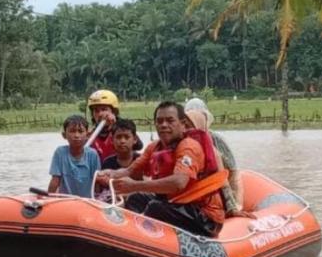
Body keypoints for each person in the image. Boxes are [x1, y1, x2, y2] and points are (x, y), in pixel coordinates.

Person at [96, 101, 227, 237]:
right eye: (159, 121)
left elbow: (178, 183)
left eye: (170, 121)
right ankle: (130, 236)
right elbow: (128, 171)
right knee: (136, 198)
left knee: (155, 207)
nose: (164, 125)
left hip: (204, 215)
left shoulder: (189, 147)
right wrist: (109, 174)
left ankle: (145, 237)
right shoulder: (154, 147)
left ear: (183, 124)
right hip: (177, 203)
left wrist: (134, 185)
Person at [184, 98, 246, 217]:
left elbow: (232, 174)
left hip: (214, 195)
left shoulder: (216, 143)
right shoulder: (181, 142)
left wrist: (235, 206)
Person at [48, 115, 101, 198]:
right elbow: (55, 180)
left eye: (80, 131)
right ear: (64, 135)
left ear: (87, 135)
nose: (76, 135)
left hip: (87, 201)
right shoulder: (60, 153)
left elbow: (97, 181)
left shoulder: (92, 154)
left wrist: (98, 199)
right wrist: (48, 198)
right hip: (65, 201)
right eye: (72, 131)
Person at [86, 89, 143, 162]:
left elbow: (139, 146)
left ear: (114, 112)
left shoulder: (123, 127)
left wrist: (115, 124)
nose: (100, 114)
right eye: (96, 111)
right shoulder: (90, 135)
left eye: (104, 109)